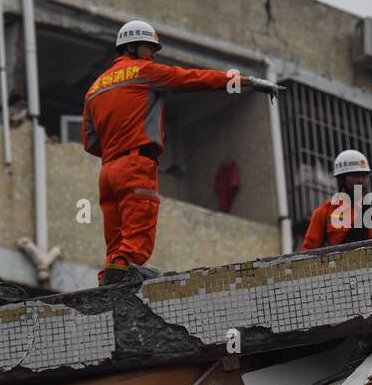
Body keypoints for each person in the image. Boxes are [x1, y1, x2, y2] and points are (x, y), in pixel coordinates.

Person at [82, 20, 279, 285]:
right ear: (131, 47)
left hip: (108, 172)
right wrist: (245, 81)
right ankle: (125, 268)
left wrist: (116, 148)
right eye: (148, 47)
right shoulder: (145, 72)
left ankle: (111, 277)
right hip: (135, 164)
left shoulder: (94, 89)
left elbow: (90, 142)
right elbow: (196, 79)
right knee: (137, 231)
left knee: (116, 237)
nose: (153, 54)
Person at [301, 149, 372, 251]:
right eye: (355, 176)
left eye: (364, 176)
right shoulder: (323, 213)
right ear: (341, 179)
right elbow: (308, 252)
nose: (361, 180)